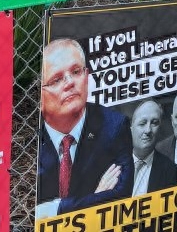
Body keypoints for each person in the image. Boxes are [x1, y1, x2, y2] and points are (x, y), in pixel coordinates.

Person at [36, 39, 133, 218]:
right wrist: (93, 198)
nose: (69, 83)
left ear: (87, 76)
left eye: (76, 72)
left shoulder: (114, 126)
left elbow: (120, 195)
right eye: (56, 80)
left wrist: (52, 209)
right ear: (39, 95)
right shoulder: (29, 134)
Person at [130, 100, 177, 195]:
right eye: (142, 123)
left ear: (159, 129)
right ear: (131, 128)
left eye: (154, 123)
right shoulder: (111, 163)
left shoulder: (170, 171)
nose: (148, 130)